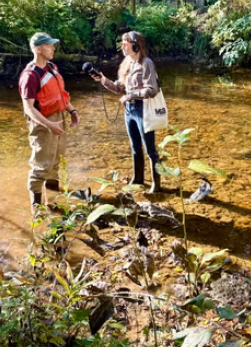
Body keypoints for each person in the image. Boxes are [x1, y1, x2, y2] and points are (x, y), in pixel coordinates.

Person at [91, 30, 162, 193]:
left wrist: (131, 95)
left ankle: (156, 185)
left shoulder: (147, 63)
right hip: (129, 111)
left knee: (150, 149)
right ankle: (138, 179)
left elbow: (152, 89)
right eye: (122, 43)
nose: (122, 46)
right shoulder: (127, 63)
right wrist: (102, 79)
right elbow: (119, 88)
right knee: (135, 147)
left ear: (136, 46)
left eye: (125, 43)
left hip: (143, 110)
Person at [19, 32, 79, 213]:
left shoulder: (52, 67)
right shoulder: (30, 75)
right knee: (40, 167)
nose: (53, 48)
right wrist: (49, 125)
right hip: (43, 124)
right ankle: (36, 212)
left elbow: (60, 95)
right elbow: (29, 108)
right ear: (38, 49)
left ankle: (53, 206)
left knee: (55, 164)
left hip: (58, 119)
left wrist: (72, 111)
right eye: (49, 45)